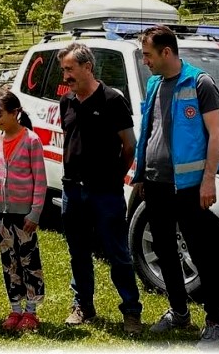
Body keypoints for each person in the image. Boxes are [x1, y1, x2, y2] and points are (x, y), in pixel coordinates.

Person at [133, 25, 219, 347]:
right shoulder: (154, 84)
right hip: (156, 183)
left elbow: (215, 134)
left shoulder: (200, 82)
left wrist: (209, 180)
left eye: (148, 55)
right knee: (164, 250)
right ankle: (179, 312)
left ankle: (216, 324)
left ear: (166, 52)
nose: (145, 61)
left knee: (203, 254)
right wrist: (142, 174)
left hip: (189, 187)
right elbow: (150, 130)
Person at [56, 43, 143, 335]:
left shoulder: (112, 100)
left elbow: (129, 146)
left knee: (117, 252)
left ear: (88, 67)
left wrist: (115, 177)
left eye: (70, 69)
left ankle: (131, 310)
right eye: (63, 69)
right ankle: (83, 305)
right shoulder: (67, 102)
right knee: (78, 252)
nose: (65, 76)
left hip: (105, 192)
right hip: (72, 191)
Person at [0, 88, 46, 332]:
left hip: (25, 216)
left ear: (15, 113)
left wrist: (35, 213)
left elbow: (40, 181)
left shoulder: (31, 141)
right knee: (8, 261)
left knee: (28, 261)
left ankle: (31, 311)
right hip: (2, 214)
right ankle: (15, 309)